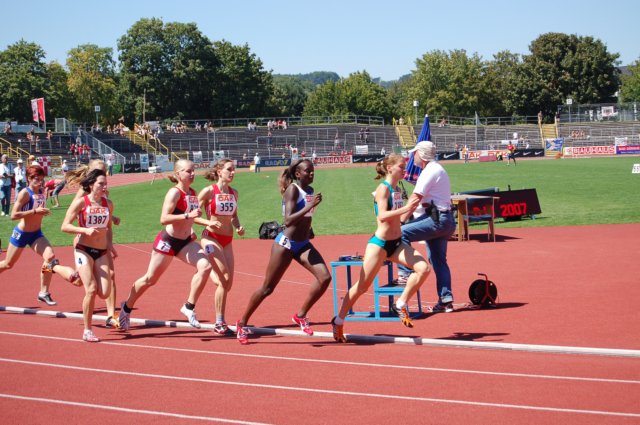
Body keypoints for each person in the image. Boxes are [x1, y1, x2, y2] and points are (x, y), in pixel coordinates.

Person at [331, 154, 430, 342]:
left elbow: (400, 219)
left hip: (397, 244)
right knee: (362, 287)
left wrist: (414, 208)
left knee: (423, 268)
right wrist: (406, 207)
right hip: (380, 245)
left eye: (405, 167)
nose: (405, 170)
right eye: (401, 167)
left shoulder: (398, 189)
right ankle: (338, 320)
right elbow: (382, 216)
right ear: (390, 168)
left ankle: (400, 304)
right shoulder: (382, 189)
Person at [235, 159, 331, 345]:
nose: (312, 173)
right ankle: (242, 323)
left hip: (303, 244)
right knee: (267, 288)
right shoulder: (292, 190)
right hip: (286, 244)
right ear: (298, 174)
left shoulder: (310, 191)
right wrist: (310, 205)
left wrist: (309, 225)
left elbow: (305, 218)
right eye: (308, 171)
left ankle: (300, 315)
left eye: (313, 170)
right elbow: (288, 220)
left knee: (325, 278)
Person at [118, 160, 213, 331]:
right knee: (150, 279)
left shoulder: (192, 193)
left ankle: (189, 306)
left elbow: (191, 216)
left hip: (185, 242)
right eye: (188, 171)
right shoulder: (174, 193)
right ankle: (126, 307)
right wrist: (187, 216)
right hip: (168, 241)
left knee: (205, 266)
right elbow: (164, 218)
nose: (192, 174)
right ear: (178, 174)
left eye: (193, 170)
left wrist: (193, 226)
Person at [0, 166, 80, 306]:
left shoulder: (42, 191)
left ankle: (44, 292)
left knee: (49, 257)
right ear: (29, 179)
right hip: (21, 233)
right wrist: (35, 211)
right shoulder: (25, 193)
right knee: (8, 264)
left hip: (36, 234)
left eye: (42, 179)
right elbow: (14, 215)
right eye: (37, 179)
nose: (40, 182)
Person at [396, 141, 457, 313]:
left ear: (421, 155)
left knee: (400, 233)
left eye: (414, 153)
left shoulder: (429, 171)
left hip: (437, 220)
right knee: (438, 261)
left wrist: (400, 221)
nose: (412, 156)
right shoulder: (437, 169)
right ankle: (446, 300)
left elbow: (414, 199)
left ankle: (405, 273)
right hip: (444, 220)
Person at [61, 169, 114, 342]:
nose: (104, 187)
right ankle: (87, 330)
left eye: (106, 184)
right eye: (101, 183)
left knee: (104, 292)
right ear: (91, 185)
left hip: (101, 251)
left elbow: (109, 228)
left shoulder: (108, 204)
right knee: (91, 289)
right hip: (83, 249)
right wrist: (84, 230)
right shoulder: (81, 203)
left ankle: (73, 274)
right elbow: (65, 226)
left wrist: (110, 245)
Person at [198, 159, 245, 335]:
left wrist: (238, 226)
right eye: (229, 169)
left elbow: (234, 216)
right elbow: (193, 214)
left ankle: (208, 267)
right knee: (224, 279)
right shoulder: (208, 191)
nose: (233, 172)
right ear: (219, 172)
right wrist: (208, 222)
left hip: (227, 240)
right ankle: (219, 322)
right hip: (211, 238)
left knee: (227, 284)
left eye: (234, 169)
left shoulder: (234, 193)